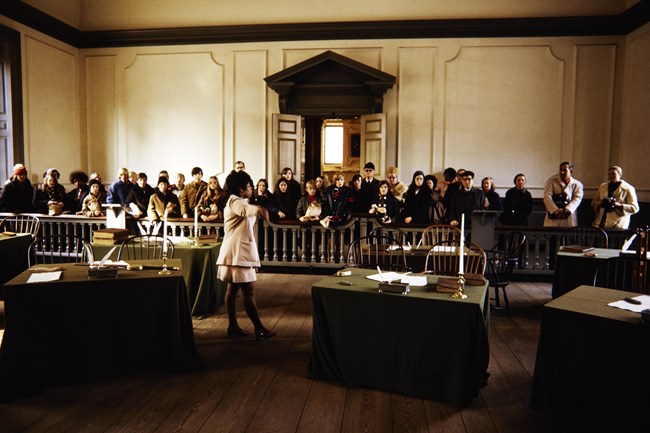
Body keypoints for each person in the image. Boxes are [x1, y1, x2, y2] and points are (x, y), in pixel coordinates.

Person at [216, 170, 275, 340]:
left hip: (235, 251)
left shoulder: (239, 201)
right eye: (249, 186)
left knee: (233, 289)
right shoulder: (236, 202)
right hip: (237, 253)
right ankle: (259, 329)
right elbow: (246, 210)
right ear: (241, 189)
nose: (252, 189)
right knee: (248, 291)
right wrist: (258, 210)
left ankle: (233, 326)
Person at [543, 162, 583, 227]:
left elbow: (577, 199)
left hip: (569, 217)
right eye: (561, 170)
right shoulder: (551, 182)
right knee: (552, 234)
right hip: (553, 216)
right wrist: (556, 210)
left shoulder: (577, 184)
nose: (562, 172)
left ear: (571, 171)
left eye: (565, 170)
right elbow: (547, 197)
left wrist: (567, 210)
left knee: (568, 235)